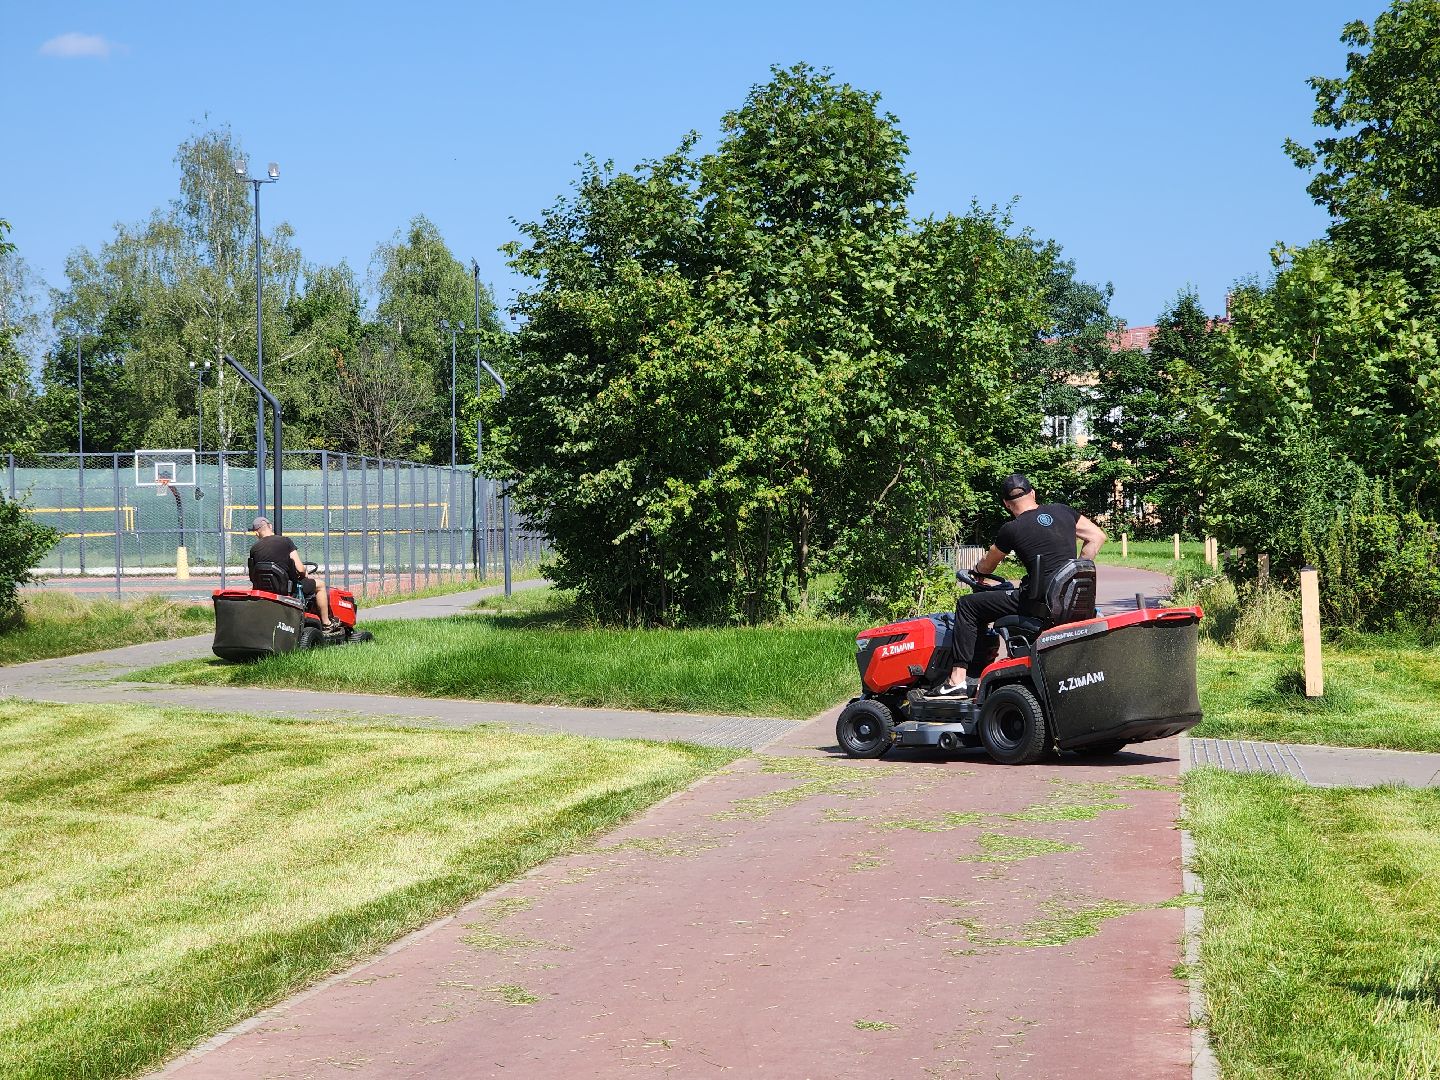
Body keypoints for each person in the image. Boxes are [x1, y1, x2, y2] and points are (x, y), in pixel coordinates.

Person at [934, 473, 1105, 696]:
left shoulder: (1011, 529)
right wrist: (1073, 573)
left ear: (1006, 504)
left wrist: (976, 571)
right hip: (1070, 602)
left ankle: (956, 679)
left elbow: (987, 566)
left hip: (1037, 604)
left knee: (968, 605)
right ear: (1032, 493)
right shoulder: (1063, 511)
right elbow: (1097, 536)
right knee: (1004, 594)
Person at [248, 516, 340, 630]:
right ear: (270, 526)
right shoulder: (286, 541)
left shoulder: (254, 549)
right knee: (320, 585)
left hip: (265, 591)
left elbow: (253, 575)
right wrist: (304, 575)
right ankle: (326, 623)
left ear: (256, 533)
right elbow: (300, 569)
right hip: (288, 589)